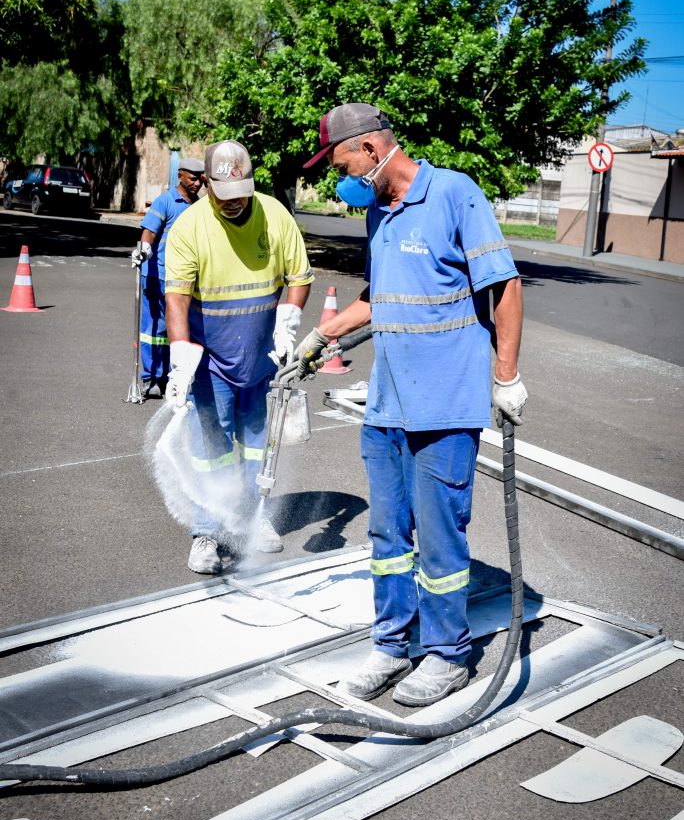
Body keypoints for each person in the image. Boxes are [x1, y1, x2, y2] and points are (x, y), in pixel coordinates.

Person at [295, 103, 527, 707]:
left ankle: (448, 654)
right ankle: (391, 643)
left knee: (441, 536)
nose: (338, 179)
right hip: (389, 404)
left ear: (371, 151)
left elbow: (504, 286)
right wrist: (325, 336)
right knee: (387, 532)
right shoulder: (377, 212)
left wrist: (505, 377)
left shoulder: (454, 194)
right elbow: (381, 296)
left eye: (341, 163)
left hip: (446, 405)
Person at [164, 139, 313, 574]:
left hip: (262, 359)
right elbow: (177, 298)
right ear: (206, 185)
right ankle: (206, 532)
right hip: (210, 363)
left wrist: (288, 321)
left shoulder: (275, 216)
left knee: (256, 447)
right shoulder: (189, 228)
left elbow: (298, 276)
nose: (234, 203)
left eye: (241, 193)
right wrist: (181, 356)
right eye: (223, 195)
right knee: (212, 449)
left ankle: (253, 516)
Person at [130, 158, 204, 397]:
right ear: (180, 175)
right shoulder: (165, 201)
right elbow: (149, 231)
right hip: (158, 275)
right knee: (153, 329)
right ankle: (150, 377)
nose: (197, 183)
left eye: (200, 178)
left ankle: (169, 377)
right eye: (193, 178)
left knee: (176, 329)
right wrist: (144, 248)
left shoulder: (199, 206)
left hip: (184, 280)